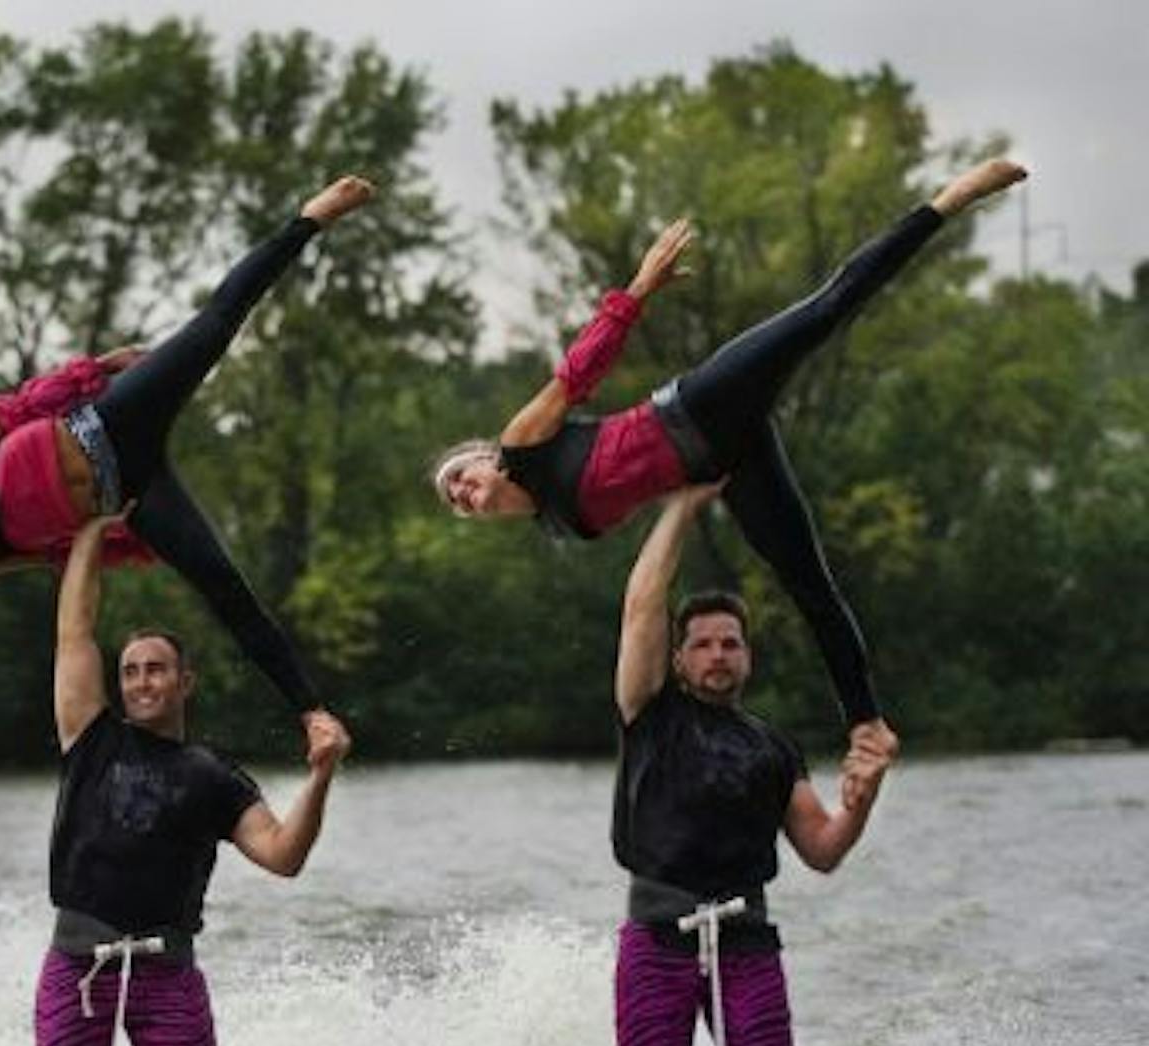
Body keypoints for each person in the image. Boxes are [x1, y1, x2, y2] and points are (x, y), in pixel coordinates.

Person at [433, 158, 1026, 782]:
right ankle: (867, 723)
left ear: (486, 458)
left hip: (700, 403)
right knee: (810, 584)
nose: (463, 491)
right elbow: (637, 496)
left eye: (461, 476)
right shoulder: (558, 526)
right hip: (726, 463)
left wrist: (639, 288)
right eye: (454, 499)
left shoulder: (521, 445)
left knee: (827, 308)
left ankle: (951, 199)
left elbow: (580, 371)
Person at [0, 175, 378, 728]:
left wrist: (99, 366)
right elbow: (55, 554)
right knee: (223, 588)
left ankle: (311, 218)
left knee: (217, 322)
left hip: (109, 419)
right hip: (131, 494)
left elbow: (21, 407)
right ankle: (313, 714)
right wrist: (113, 537)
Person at [20, 514, 349, 1046]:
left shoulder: (213, 776)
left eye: (156, 669)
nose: (141, 681)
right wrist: (91, 531)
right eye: (131, 670)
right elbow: (75, 628)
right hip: (77, 969)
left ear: (184, 682)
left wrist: (322, 776)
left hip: (166, 977)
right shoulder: (90, 736)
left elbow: (283, 855)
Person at [603, 484, 894, 1046]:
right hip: (659, 941)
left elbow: (823, 848)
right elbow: (641, 603)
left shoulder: (773, 747)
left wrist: (861, 799)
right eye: (702, 643)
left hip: (746, 945)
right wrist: (682, 507)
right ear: (678, 657)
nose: (717, 654)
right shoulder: (650, 713)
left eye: (730, 643)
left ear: (747, 656)